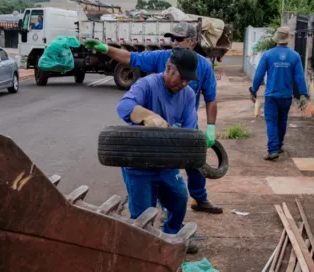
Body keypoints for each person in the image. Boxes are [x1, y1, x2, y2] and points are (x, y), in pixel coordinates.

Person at [83, 21, 222, 215]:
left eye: (179, 39)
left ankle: (198, 199)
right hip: (147, 140)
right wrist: (106, 49)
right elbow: (130, 59)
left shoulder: (202, 70)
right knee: (144, 205)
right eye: (171, 38)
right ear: (167, 69)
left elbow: (211, 99)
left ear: (191, 41)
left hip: (181, 128)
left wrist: (210, 129)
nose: (173, 42)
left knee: (190, 173)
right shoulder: (160, 62)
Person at [115, 48, 199, 253]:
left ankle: (171, 235)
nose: (185, 83)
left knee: (179, 199)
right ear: (169, 68)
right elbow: (123, 106)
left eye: (189, 79)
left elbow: (190, 127)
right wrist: (143, 114)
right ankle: (144, 251)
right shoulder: (147, 84)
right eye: (182, 78)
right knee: (144, 215)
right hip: (139, 164)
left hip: (167, 164)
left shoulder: (187, 94)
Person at [249, 26, 309, 160]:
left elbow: (259, 74)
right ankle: (279, 146)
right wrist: (304, 94)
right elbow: (299, 77)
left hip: (271, 95)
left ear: (276, 38)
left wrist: (253, 91)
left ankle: (272, 150)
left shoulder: (268, 55)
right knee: (282, 121)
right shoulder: (294, 56)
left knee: (271, 121)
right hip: (286, 96)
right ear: (288, 40)